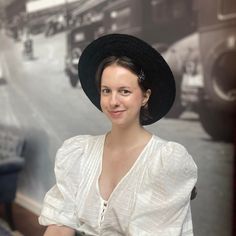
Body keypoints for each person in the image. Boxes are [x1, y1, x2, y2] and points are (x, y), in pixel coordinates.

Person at [38, 34, 198, 235]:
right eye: (106, 91)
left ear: (145, 96)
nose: (113, 101)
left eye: (124, 91)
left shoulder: (165, 161)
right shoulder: (78, 153)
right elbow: (59, 227)